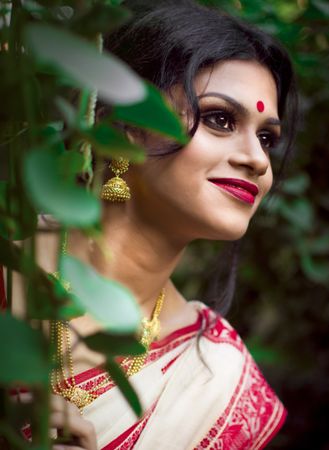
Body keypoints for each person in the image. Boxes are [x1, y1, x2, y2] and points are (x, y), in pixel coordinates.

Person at [5, 1, 298, 448]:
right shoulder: (8, 270)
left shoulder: (219, 381)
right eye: (221, 120)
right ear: (124, 125)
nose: (258, 160)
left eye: (266, 138)